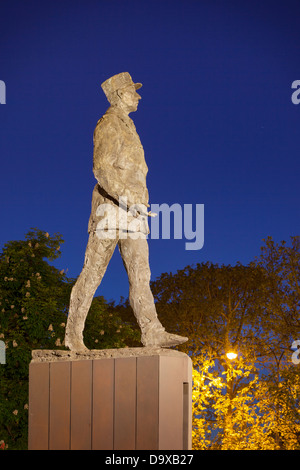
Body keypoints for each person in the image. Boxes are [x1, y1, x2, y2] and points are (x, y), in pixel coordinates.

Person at [64, 72, 188, 352]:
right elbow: (102, 168)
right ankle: (73, 334)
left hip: (134, 214)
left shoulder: (128, 125)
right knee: (93, 273)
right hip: (110, 211)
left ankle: (152, 331)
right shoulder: (109, 123)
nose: (138, 96)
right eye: (133, 91)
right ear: (120, 95)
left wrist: (137, 205)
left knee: (141, 274)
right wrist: (129, 199)